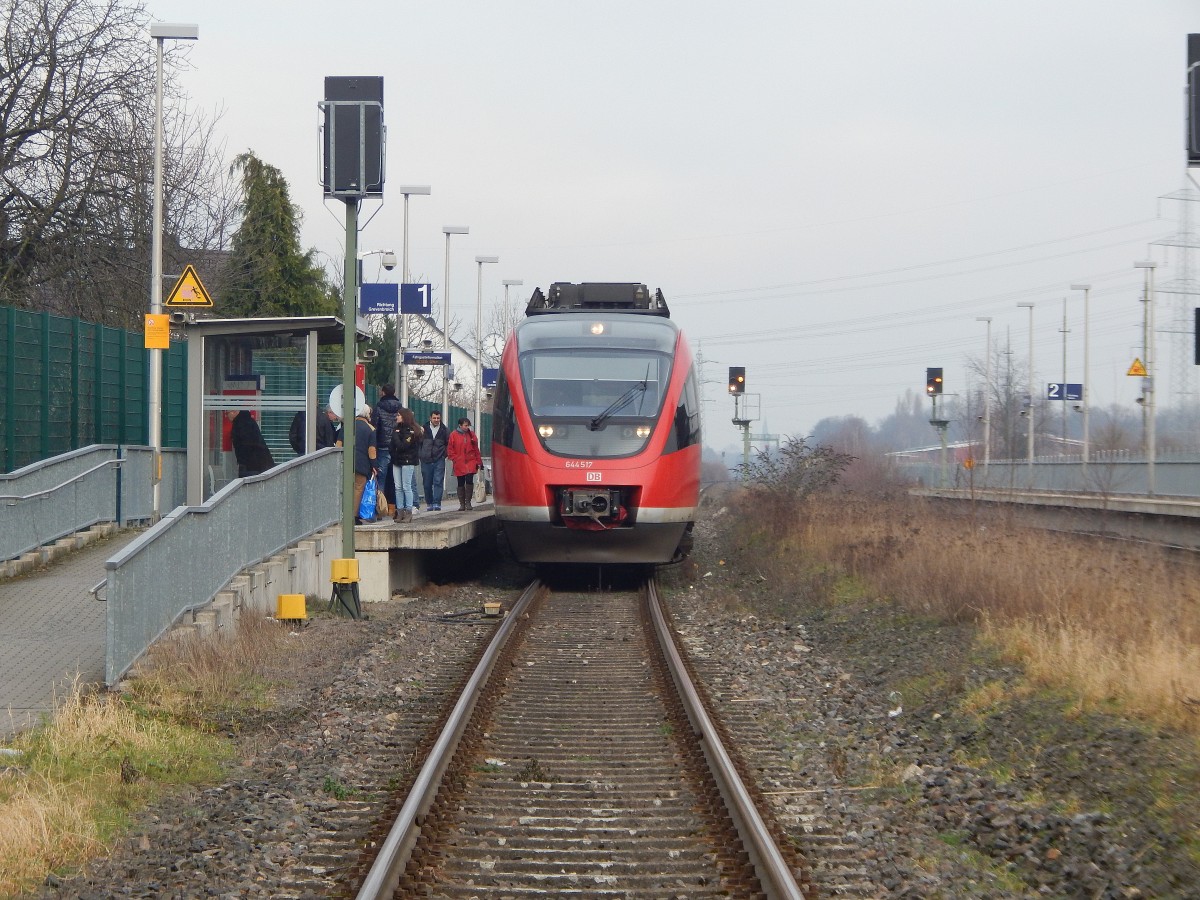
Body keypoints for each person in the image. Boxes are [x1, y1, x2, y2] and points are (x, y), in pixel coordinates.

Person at [371, 384, 406, 511]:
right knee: (397, 479)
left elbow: (375, 427)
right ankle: (397, 507)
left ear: (383, 392)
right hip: (397, 447)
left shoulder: (379, 407)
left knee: (381, 478)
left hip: (383, 446)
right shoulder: (400, 408)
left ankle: (380, 508)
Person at [389, 408, 423, 523]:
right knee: (398, 487)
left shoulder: (411, 431)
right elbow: (392, 447)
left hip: (408, 461)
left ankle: (408, 510)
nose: (396, 417)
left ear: (404, 416)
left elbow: (403, 446)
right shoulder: (397, 429)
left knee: (406, 486)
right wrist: (393, 453)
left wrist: (395, 436)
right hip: (397, 461)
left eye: (398, 415)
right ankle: (400, 511)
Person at [447, 417, 483, 511]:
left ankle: (468, 502)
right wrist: (455, 458)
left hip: (470, 461)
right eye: (465, 425)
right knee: (461, 481)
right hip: (459, 462)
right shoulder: (453, 435)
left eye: (468, 425)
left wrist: (478, 461)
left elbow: (476, 449)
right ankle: (462, 503)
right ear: (460, 425)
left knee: (469, 480)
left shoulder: (471, 435)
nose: (467, 427)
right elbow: (450, 449)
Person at [227, 409, 275, 478]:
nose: (227, 416)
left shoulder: (241, 424)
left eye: (227, 413)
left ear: (233, 412)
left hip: (252, 466)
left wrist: (243, 464)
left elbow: (246, 447)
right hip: (258, 464)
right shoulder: (247, 421)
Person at [418, 410, 450, 511]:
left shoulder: (444, 430)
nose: (436, 420)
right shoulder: (424, 429)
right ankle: (429, 503)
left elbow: (448, 444)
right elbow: (419, 443)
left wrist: (444, 455)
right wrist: (421, 455)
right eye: (434, 418)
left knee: (438, 481)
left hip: (439, 459)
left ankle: (437, 503)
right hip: (425, 460)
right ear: (430, 418)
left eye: (438, 418)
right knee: (427, 483)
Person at [351, 403, 377, 525]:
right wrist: (374, 466)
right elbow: (371, 451)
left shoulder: (348, 426)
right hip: (361, 465)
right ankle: (354, 516)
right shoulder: (370, 429)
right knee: (358, 488)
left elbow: (339, 444)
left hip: (345, 463)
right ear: (367, 414)